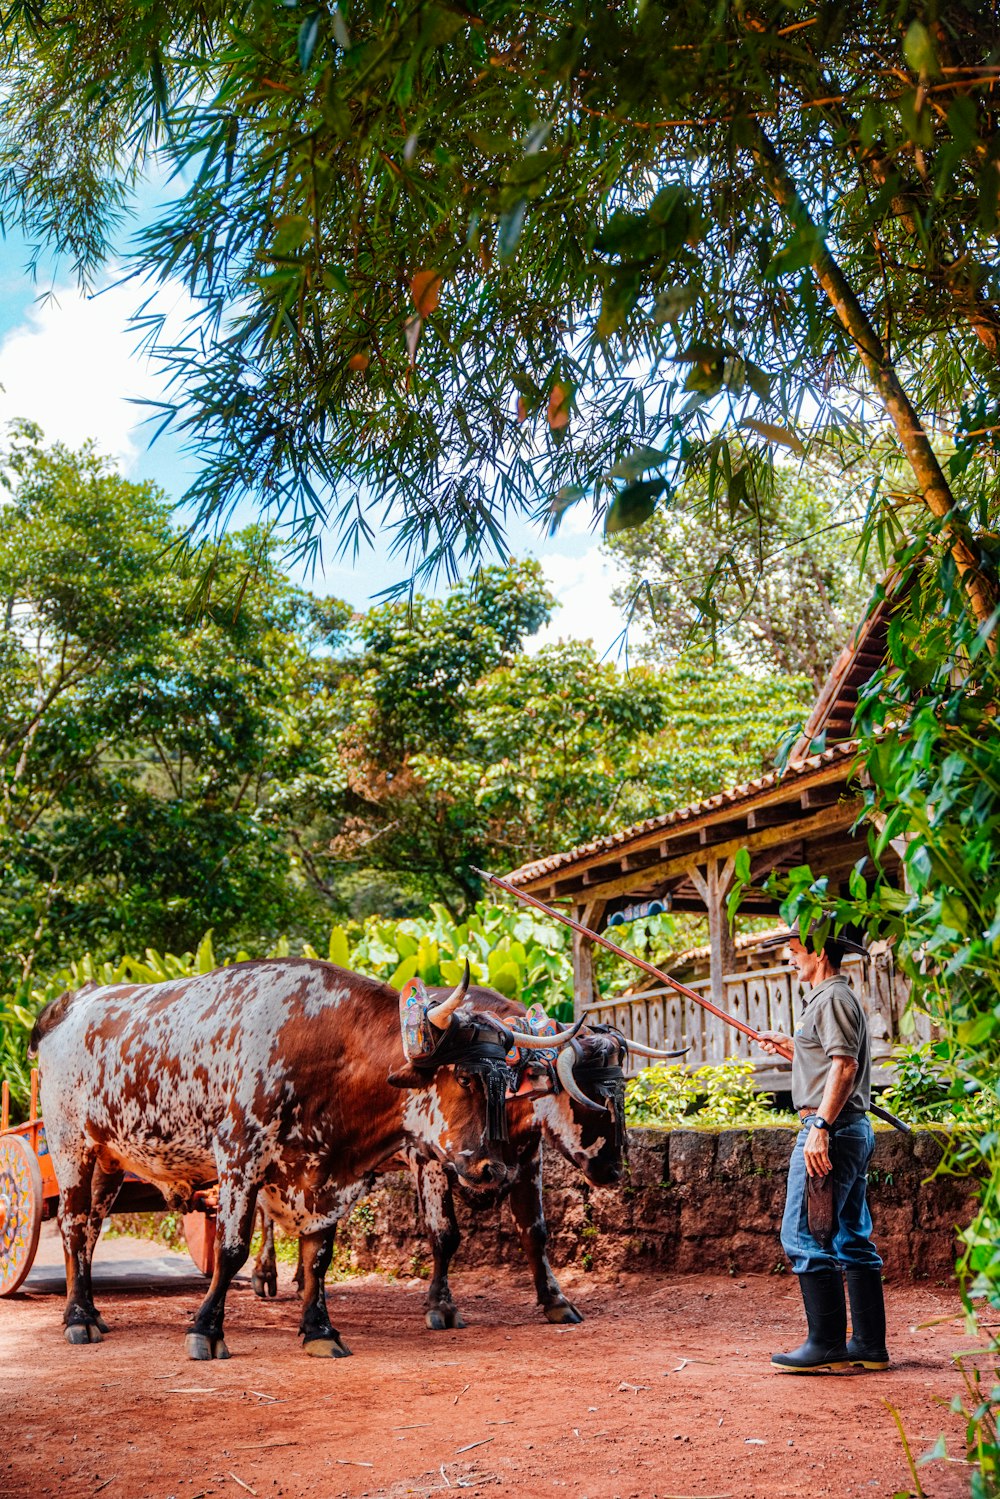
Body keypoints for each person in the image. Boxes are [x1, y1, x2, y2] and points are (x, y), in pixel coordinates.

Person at [757, 923, 889, 1373]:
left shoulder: (831, 997)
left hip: (831, 1131)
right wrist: (793, 1048)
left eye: (793, 951)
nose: (789, 958)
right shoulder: (828, 998)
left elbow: (846, 1066)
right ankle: (868, 1346)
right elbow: (829, 1063)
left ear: (818, 952)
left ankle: (827, 1345)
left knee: (803, 1235)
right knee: (851, 1237)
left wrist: (818, 1127)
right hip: (848, 1128)